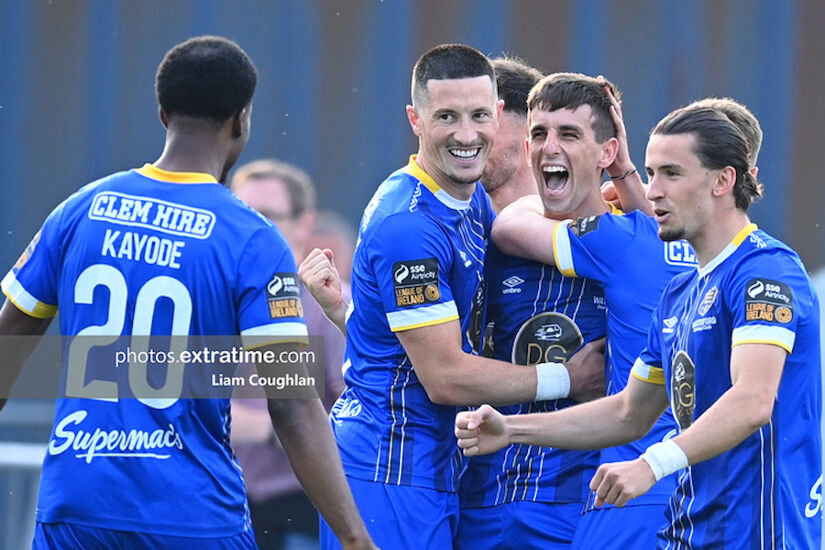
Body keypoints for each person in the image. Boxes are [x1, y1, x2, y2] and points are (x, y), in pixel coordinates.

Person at [0, 36, 373, 549]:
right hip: (188, 517)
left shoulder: (80, 210)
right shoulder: (252, 238)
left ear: (161, 112)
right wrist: (356, 538)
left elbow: (8, 341)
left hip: (76, 507)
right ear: (242, 119)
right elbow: (291, 402)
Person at [457, 106, 822, 549]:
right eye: (649, 173)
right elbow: (629, 411)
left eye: (671, 173)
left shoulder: (766, 270)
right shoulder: (679, 293)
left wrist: (651, 464)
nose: (653, 191)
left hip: (763, 532)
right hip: (690, 530)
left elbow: (753, 400)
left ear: (723, 181)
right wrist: (512, 431)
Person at [299, 44, 603, 550]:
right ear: (415, 120)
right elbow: (443, 377)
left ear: (499, 116)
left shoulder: (468, 199)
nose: (467, 135)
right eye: (447, 117)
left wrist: (348, 314)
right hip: (389, 469)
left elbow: (399, 347)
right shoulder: (411, 226)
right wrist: (567, 377)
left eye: (479, 115)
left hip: (430, 468)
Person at [488, 72, 698, 548]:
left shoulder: (616, 239)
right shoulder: (746, 257)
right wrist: (622, 171)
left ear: (605, 150)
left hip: (623, 489)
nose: (548, 147)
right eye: (538, 135)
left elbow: (510, 226)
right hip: (692, 485)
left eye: (568, 134)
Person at [457, 58, 609, 550]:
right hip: (477, 499)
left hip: (582, 501)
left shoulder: (622, 228)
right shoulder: (462, 234)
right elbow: (431, 360)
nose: (467, 137)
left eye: (484, 121)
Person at [229, 159, 347, 550]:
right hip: (223, 503)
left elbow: (361, 422)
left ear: (304, 224)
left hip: (301, 507)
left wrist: (263, 428)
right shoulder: (216, 299)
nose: (249, 228)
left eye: (266, 216)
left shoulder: (333, 306)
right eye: (240, 213)